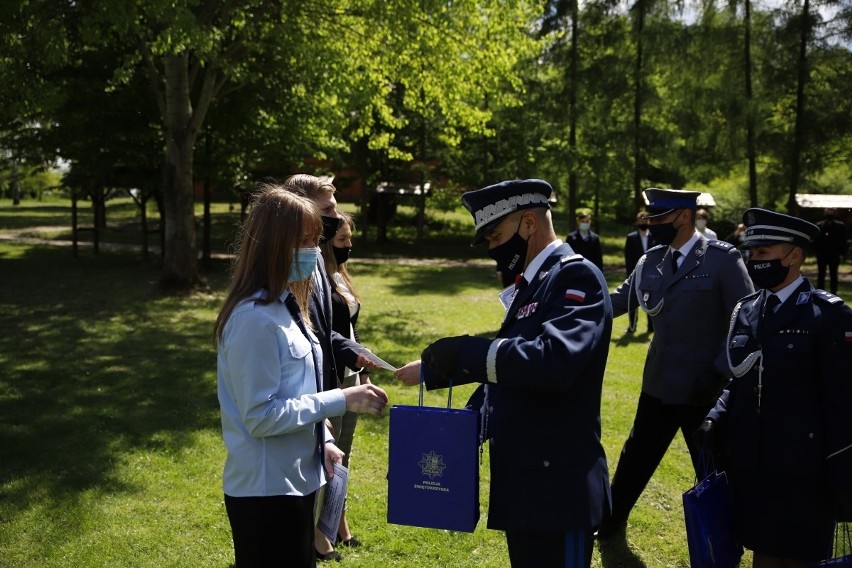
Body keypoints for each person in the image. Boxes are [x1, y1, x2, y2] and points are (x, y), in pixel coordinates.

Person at [395, 179, 613, 568]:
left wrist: (466, 350)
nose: (494, 250)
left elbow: (553, 363)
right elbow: (514, 359)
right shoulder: (534, 283)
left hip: (558, 486)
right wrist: (439, 372)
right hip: (528, 481)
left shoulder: (574, 277)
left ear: (529, 223)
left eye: (496, 236)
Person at [213, 186, 389, 568]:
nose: (313, 250)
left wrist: (323, 438)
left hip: (298, 482)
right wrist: (342, 400)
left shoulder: (287, 305)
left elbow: (297, 388)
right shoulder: (253, 319)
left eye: (315, 240)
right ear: (272, 245)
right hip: (266, 493)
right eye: (304, 241)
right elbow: (261, 416)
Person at [695, 208, 852, 567]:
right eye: (752, 253)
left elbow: (843, 404)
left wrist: (844, 476)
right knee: (759, 552)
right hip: (751, 465)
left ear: (794, 256)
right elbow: (743, 377)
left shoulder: (828, 317)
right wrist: (716, 417)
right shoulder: (747, 310)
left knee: (796, 558)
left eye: (764, 253)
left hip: (804, 474)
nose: (754, 260)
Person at [599, 188, 754, 538]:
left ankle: (727, 537)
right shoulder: (651, 260)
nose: (652, 226)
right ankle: (610, 522)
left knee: (714, 467)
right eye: (650, 219)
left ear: (683, 216)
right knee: (636, 457)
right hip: (659, 385)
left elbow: (746, 322)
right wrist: (571, 306)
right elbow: (619, 301)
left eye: (659, 219)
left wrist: (720, 372)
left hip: (705, 389)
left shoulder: (722, 259)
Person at [282, 173, 382, 562]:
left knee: (331, 463)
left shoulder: (320, 267)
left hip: (324, 392)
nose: (335, 217)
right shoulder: (286, 275)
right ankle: (314, 538)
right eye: (327, 211)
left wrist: (351, 351)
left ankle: (323, 533)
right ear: (301, 210)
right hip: (300, 400)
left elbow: (322, 334)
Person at [319, 212, 368, 550]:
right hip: (330, 376)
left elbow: (350, 326)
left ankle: (337, 521)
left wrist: (363, 361)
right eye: (342, 241)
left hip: (351, 373)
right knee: (328, 452)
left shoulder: (340, 276)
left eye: (350, 239)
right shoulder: (316, 278)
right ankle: (320, 532)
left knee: (344, 452)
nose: (349, 245)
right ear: (324, 243)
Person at [623, 211, 656, 334]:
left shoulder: (654, 237)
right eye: (641, 220)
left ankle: (651, 327)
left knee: (651, 301)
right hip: (635, 274)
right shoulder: (631, 238)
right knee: (632, 302)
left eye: (645, 220)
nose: (643, 222)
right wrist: (630, 276)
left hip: (652, 275)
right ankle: (632, 326)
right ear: (637, 222)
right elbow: (628, 258)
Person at [815, 208, 847, 295]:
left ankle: (834, 292)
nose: (830, 214)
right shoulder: (819, 225)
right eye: (828, 212)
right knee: (821, 273)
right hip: (822, 254)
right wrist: (816, 252)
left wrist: (842, 253)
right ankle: (820, 292)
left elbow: (843, 240)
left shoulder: (840, 226)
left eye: (831, 212)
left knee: (834, 274)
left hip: (834, 254)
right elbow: (816, 241)